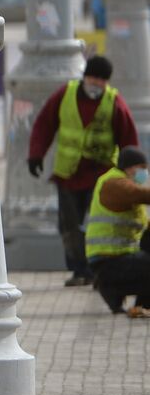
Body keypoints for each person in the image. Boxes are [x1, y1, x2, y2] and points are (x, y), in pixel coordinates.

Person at [28, 55, 139, 286]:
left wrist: (132, 171)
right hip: (68, 175)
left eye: (102, 80)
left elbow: (128, 138)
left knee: (99, 224)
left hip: (101, 177)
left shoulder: (113, 101)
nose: (96, 84)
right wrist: (36, 154)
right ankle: (79, 270)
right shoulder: (64, 95)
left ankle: (98, 268)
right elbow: (44, 124)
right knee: (69, 226)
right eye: (93, 78)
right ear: (84, 76)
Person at [86, 147, 150, 317]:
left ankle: (142, 306)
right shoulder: (114, 183)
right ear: (129, 167)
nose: (145, 172)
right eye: (142, 167)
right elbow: (138, 194)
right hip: (107, 261)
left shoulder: (125, 185)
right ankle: (110, 288)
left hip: (121, 257)